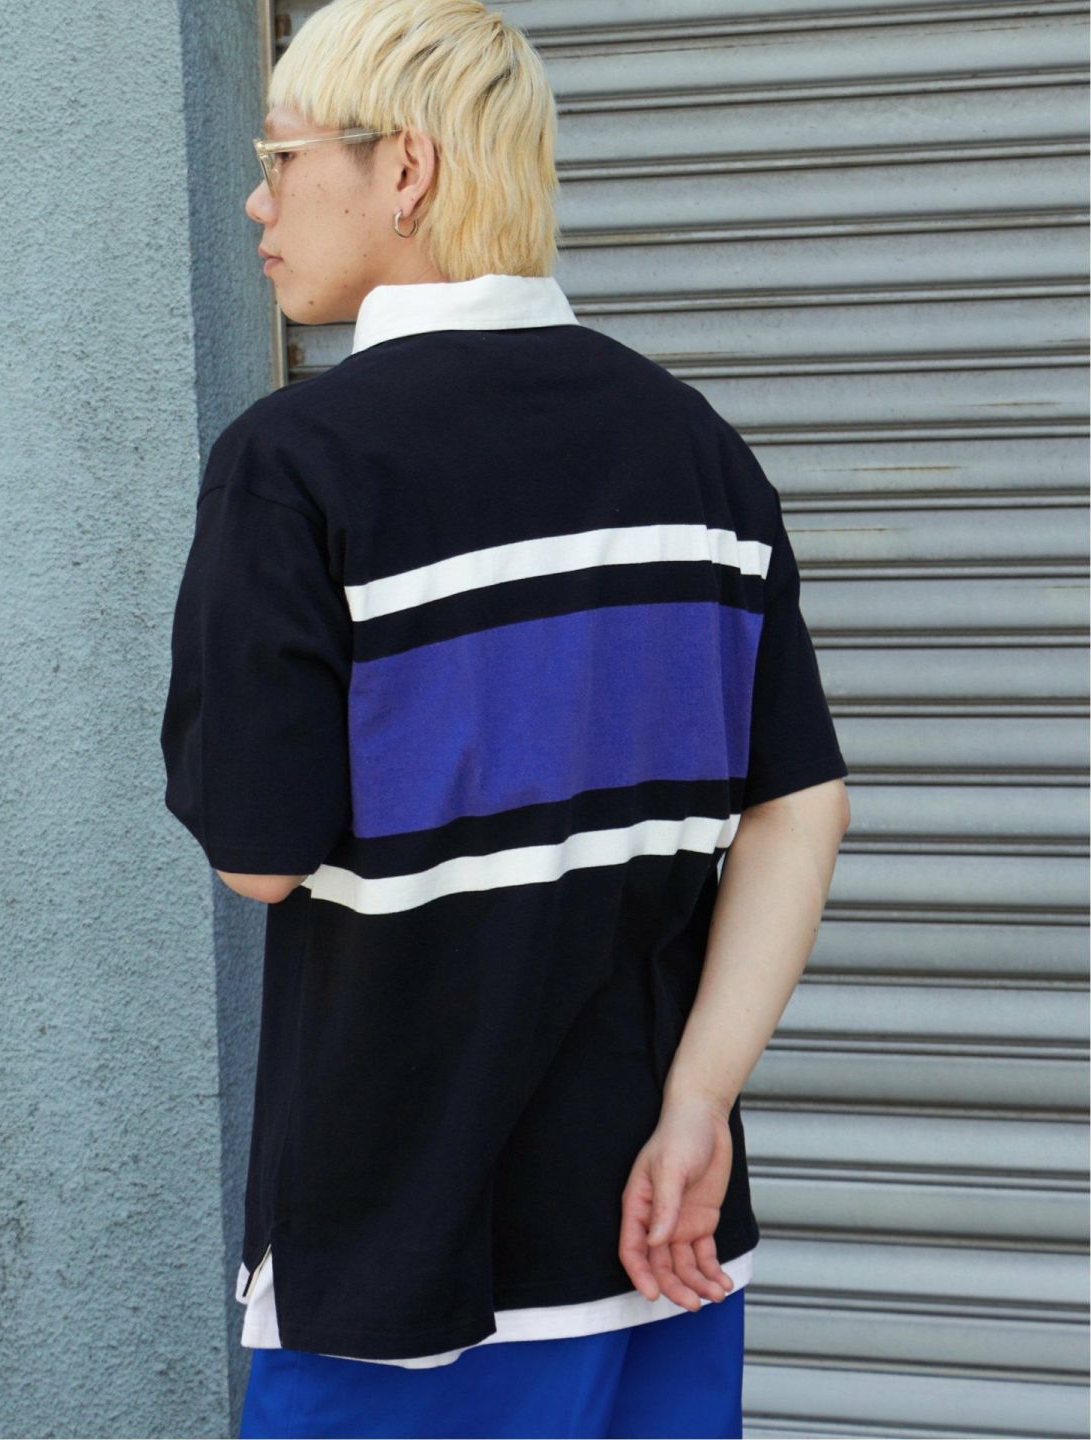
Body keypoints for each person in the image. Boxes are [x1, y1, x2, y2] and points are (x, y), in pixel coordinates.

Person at [159, 0, 851, 1435]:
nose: (258, 202)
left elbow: (259, 854)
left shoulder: (296, 463)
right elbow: (801, 805)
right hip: (656, 1235)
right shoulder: (695, 448)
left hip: (403, 1260)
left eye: (280, 158)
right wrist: (699, 1107)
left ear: (404, 169)